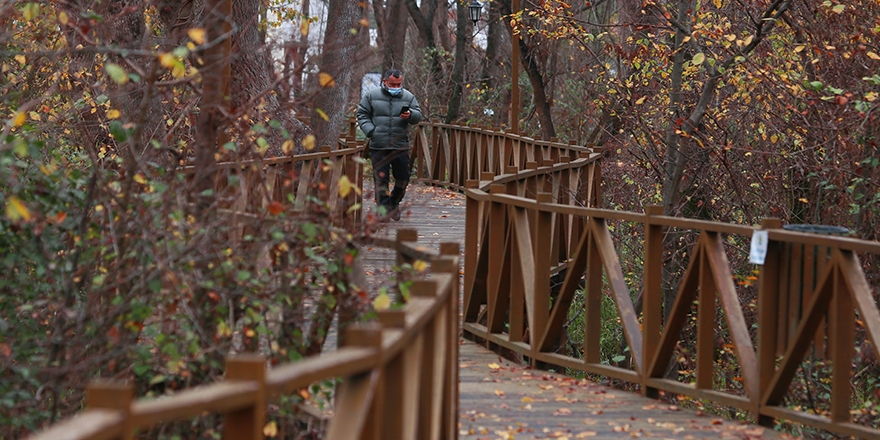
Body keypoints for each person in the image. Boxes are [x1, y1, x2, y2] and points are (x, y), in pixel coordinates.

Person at [357, 69, 422, 221]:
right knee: (381, 180)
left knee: (403, 178)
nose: (395, 87)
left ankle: (393, 203)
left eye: (398, 84)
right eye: (392, 84)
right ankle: (383, 210)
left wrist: (410, 115)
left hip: (400, 145)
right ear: (385, 82)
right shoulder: (372, 96)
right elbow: (362, 114)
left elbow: (418, 115)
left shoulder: (408, 96)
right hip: (379, 145)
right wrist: (370, 130)